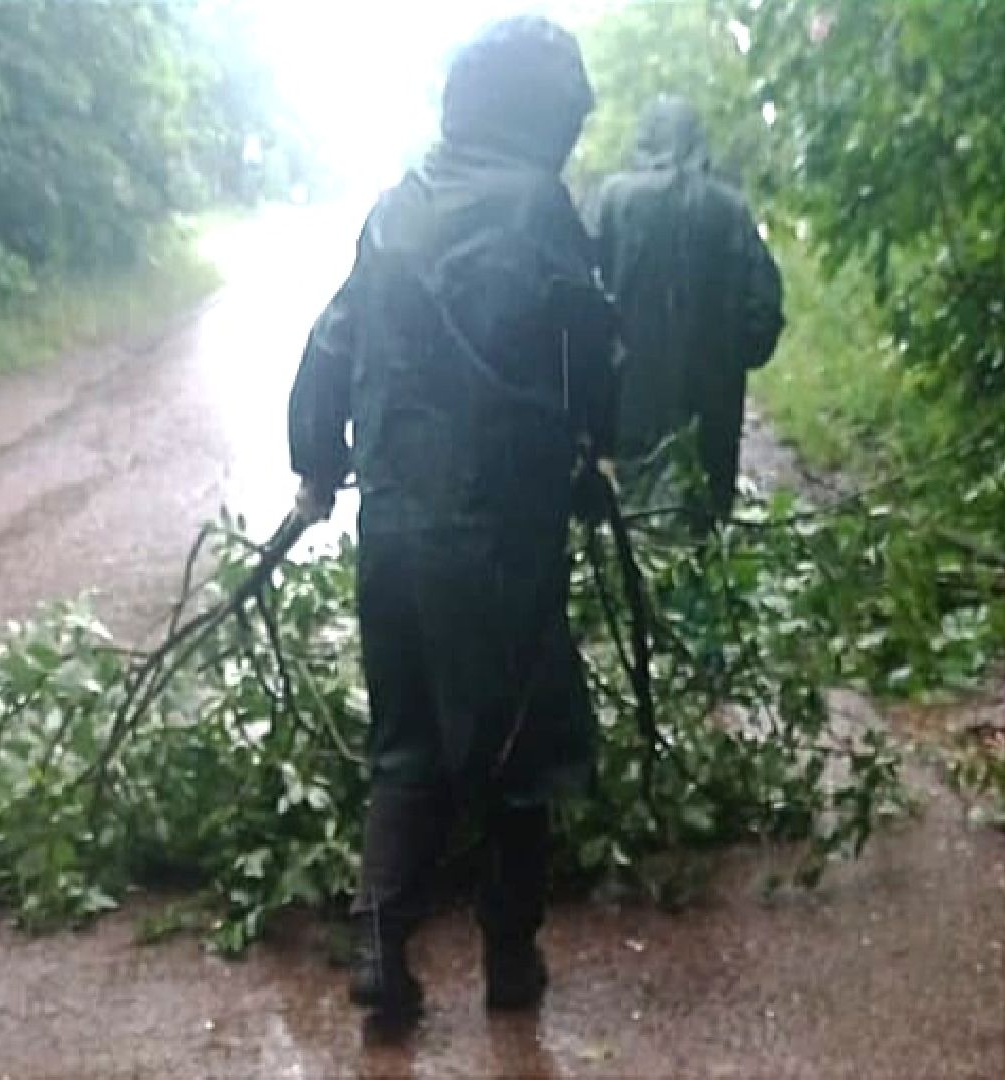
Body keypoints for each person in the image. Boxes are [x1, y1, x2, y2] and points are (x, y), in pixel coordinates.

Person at [287, 16, 617, 1022]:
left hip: (390, 535)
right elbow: (593, 349)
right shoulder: (537, 208)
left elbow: (328, 345)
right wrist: (593, 450)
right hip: (498, 546)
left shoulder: (393, 209)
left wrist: (314, 468)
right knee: (517, 755)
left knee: (407, 746)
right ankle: (509, 969)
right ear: (537, 112)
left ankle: (382, 960)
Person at [591, 95, 785, 522]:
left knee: (631, 537)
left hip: (628, 408)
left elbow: (582, 298)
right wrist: (733, 356)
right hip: (711, 409)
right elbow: (765, 309)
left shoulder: (614, 199)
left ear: (644, 140)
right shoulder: (730, 209)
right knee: (703, 530)